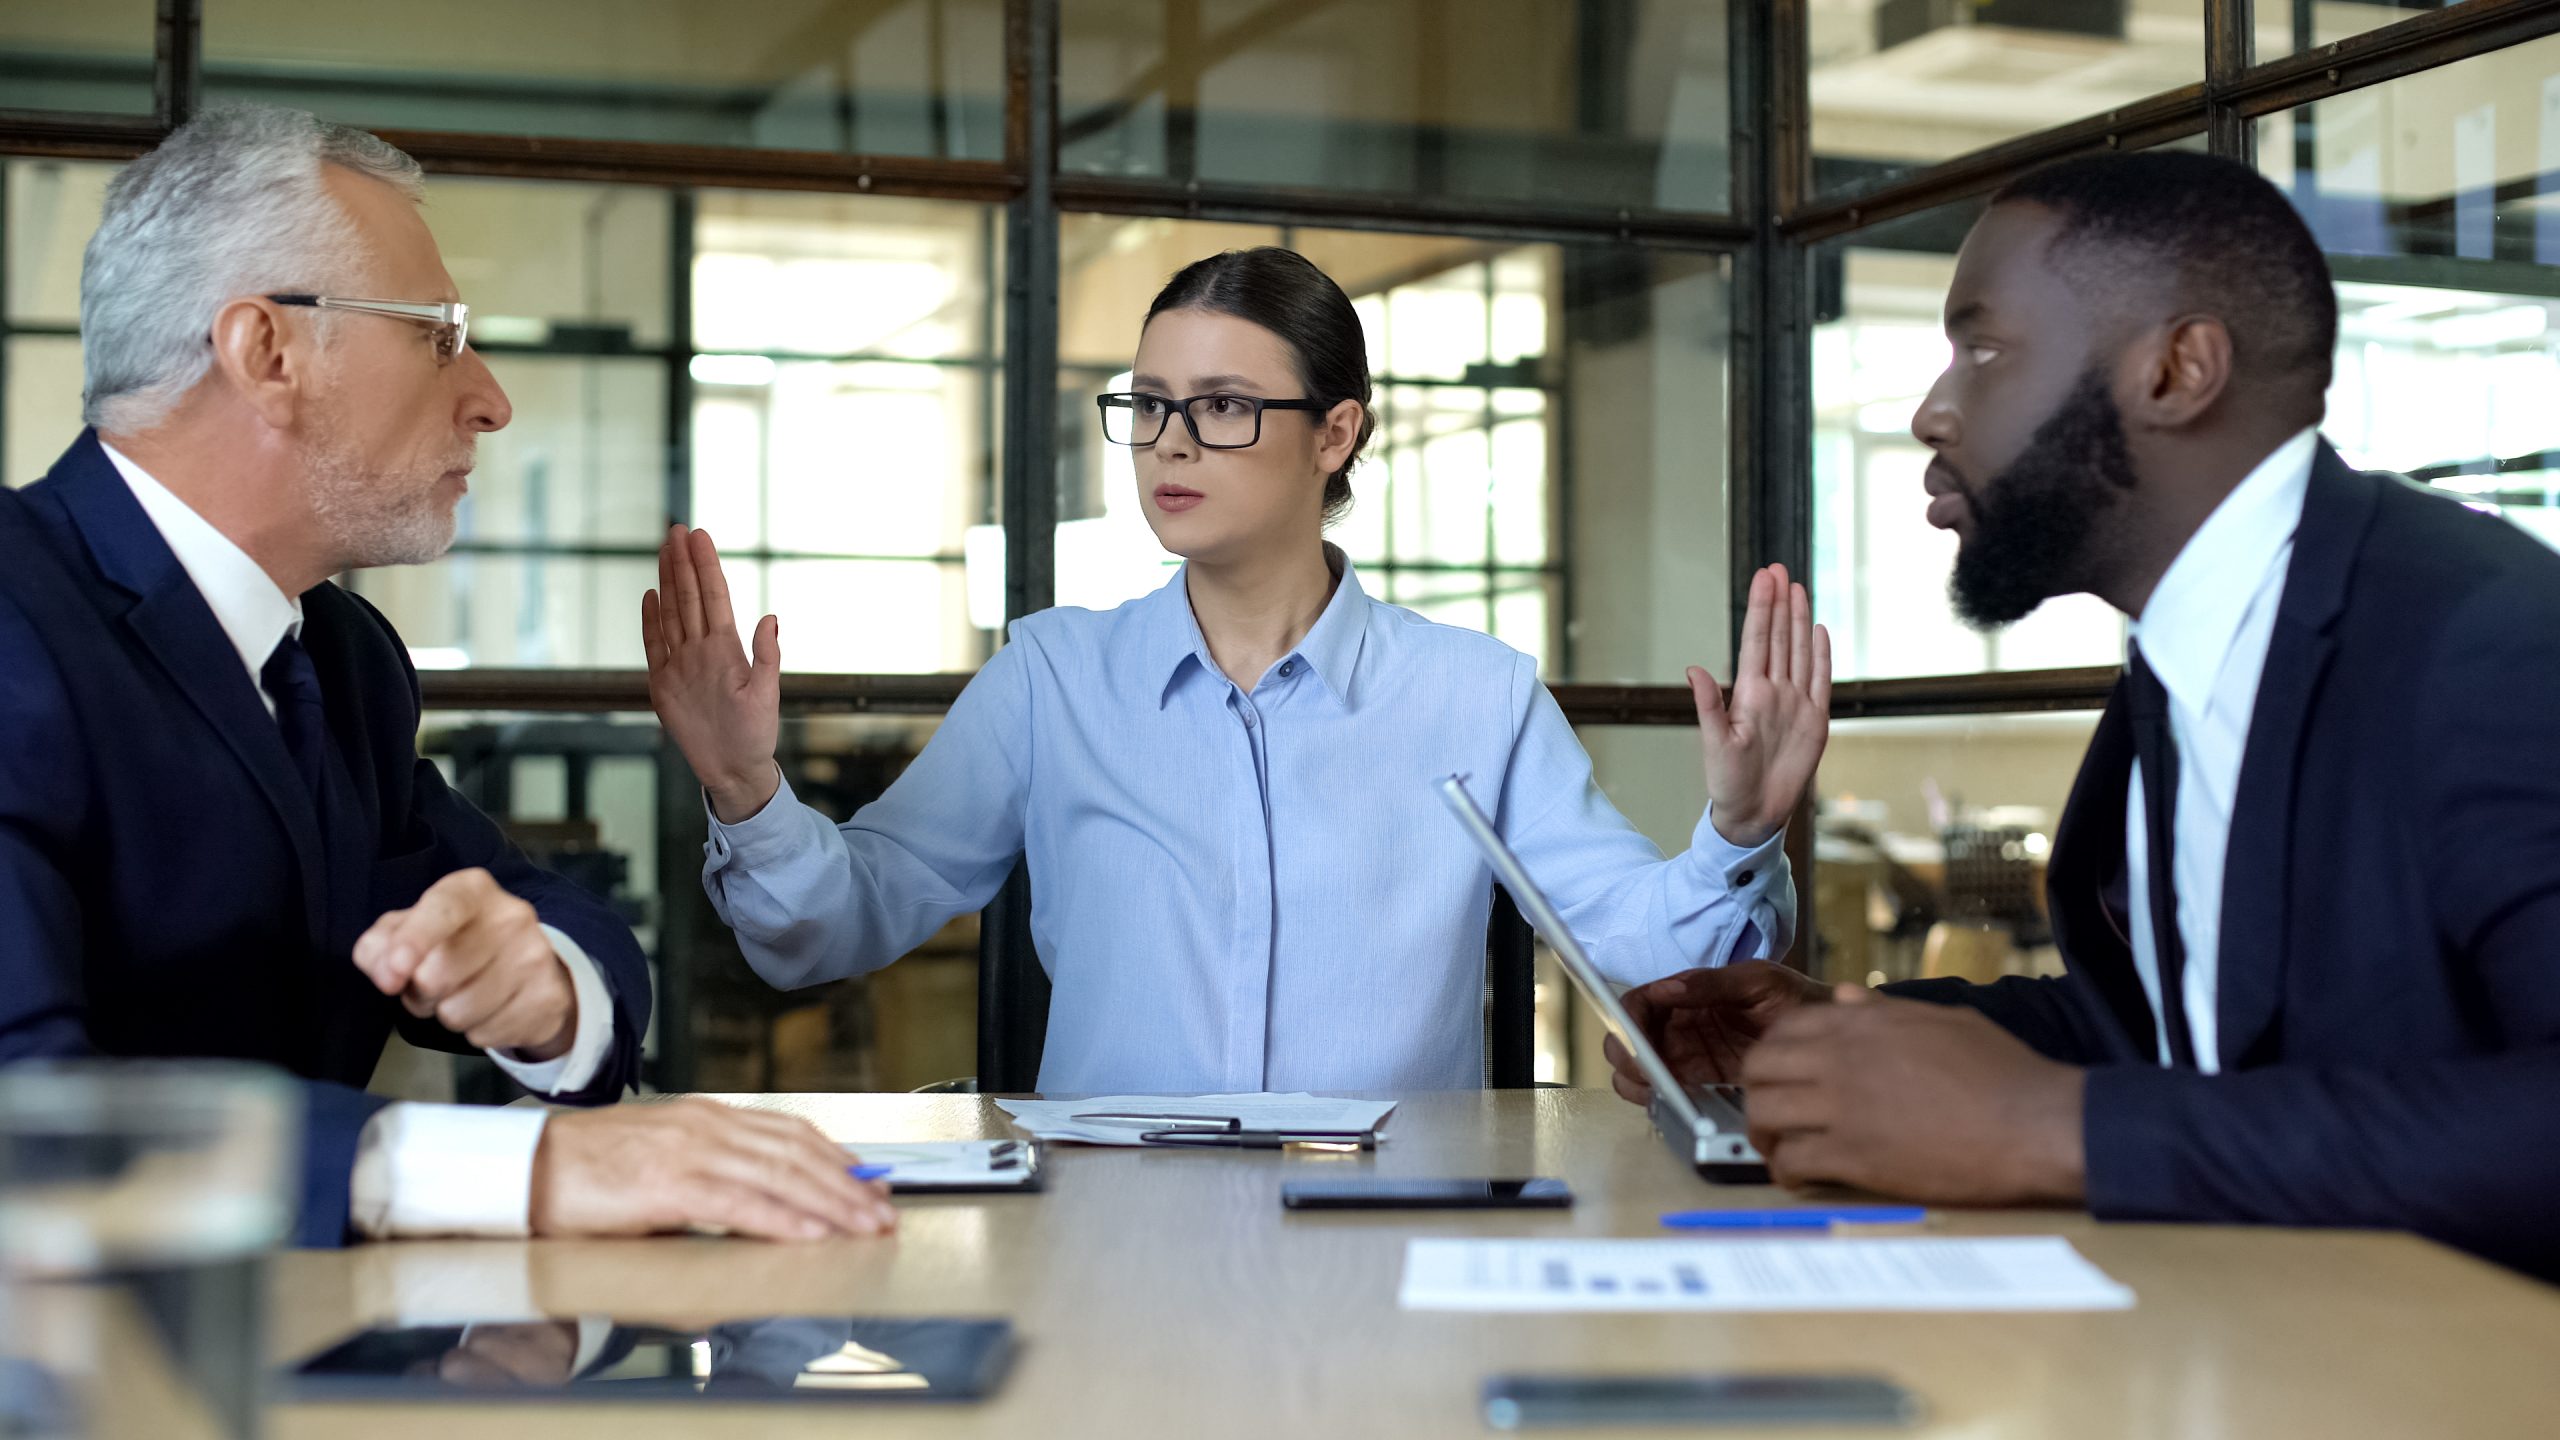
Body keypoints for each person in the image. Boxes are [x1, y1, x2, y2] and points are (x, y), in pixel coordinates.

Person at [1605, 150, 2560, 1280]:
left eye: (1985, 349)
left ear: (2175, 369)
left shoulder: (2487, 643)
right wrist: (1844, 1038)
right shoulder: (2188, 652)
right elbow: (2182, 1032)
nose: (1929, 412)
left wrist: (2057, 1131)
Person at [0, 104, 894, 1246]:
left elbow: (556, 915)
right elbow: (25, 1119)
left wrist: (546, 993)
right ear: (265, 351)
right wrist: (518, 1167)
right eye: (437, 332)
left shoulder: (340, 658)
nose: (490, 396)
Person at [646, 246, 1832, 1093]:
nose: (1168, 440)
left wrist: (1736, 831)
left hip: (1389, 1244)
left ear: (1336, 433)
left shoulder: (1474, 694)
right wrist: (749, 792)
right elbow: (831, 928)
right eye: (1150, 405)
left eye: (1219, 406)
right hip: (1109, 1255)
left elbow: (1642, 950)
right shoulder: (1053, 678)